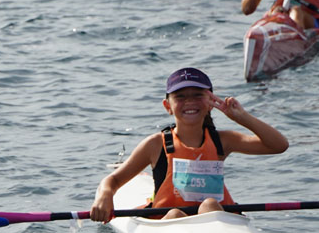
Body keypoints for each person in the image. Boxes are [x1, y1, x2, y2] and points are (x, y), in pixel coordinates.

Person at [89, 67, 288, 222]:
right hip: (169, 220)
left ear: (210, 101)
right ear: (168, 106)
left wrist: (241, 117)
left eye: (197, 95)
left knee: (209, 205)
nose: (189, 102)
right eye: (181, 97)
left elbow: (279, 145)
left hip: (216, 220)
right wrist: (105, 196)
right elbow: (113, 181)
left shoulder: (223, 140)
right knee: (176, 214)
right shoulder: (155, 144)